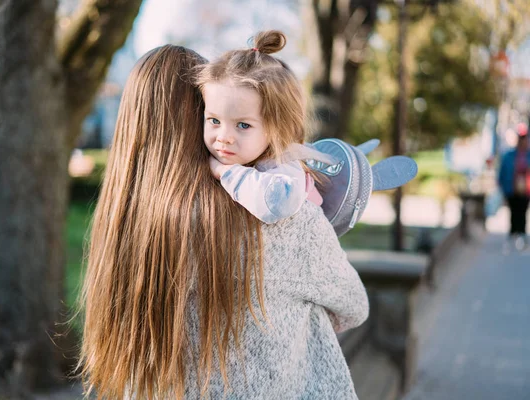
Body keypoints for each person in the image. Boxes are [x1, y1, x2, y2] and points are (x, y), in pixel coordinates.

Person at [78, 42, 369, 400]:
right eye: (213, 117)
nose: (223, 135)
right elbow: (354, 305)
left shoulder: (123, 227)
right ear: (195, 118)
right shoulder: (281, 220)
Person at [197, 30, 324, 224]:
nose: (224, 137)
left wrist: (223, 172)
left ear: (279, 128)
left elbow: (279, 202)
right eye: (215, 121)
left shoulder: (282, 164)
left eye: (243, 125)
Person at [498, 122, 530, 250]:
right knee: (513, 212)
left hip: (526, 190)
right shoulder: (509, 155)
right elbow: (502, 172)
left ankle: (521, 235)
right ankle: (513, 234)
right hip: (512, 188)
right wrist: (502, 187)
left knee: (522, 212)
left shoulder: (528, 155)